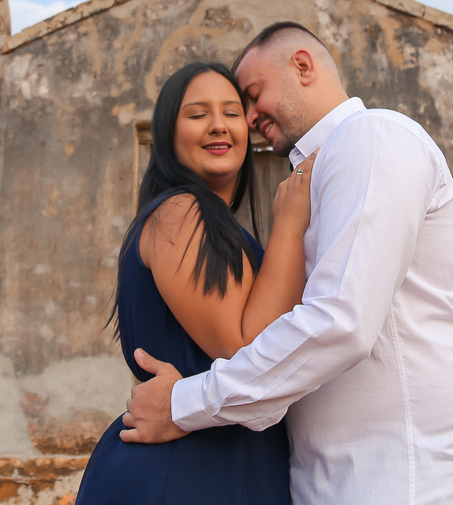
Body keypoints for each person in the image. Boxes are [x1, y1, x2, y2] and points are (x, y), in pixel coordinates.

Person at [120, 23, 453, 505]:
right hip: (330, 481)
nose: (248, 118)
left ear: (302, 67)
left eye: (250, 98)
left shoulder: (372, 138)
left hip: (407, 479)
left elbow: (341, 321)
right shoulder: (311, 178)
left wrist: (185, 402)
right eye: (202, 113)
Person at [75, 61, 315, 505]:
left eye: (231, 112)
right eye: (198, 114)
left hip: (229, 460)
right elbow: (247, 351)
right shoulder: (179, 212)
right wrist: (289, 223)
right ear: (167, 134)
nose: (218, 125)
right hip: (184, 471)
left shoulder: (220, 226)